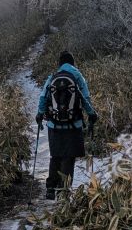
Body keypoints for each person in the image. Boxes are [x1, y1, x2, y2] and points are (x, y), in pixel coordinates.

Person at [37, 50, 97, 200]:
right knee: (69, 157)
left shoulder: (52, 77)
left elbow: (43, 97)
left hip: (54, 124)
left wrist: (39, 114)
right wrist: (91, 115)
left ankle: (50, 188)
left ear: (60, 63)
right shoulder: (77, 76)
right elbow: (86, 98)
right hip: (73, 124)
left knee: (56, 155)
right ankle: (64, 190)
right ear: (73, 62)